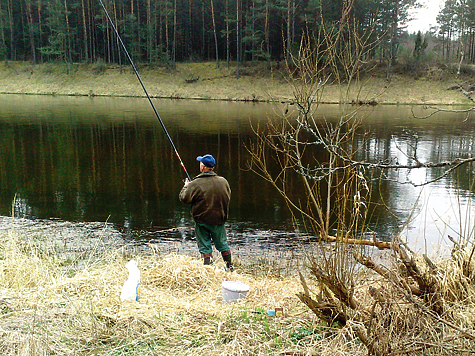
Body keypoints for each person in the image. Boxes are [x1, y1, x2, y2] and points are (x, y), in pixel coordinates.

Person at [179, 154, 233, 271]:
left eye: (200, 163)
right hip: (219, 220)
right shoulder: (223, 181)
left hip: (202, 221)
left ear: (203, 167)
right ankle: (230, 268)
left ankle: (208, 270)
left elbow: (184, 198)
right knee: (223, 244)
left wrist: (186, 187)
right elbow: (228, 196)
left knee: (205, 247)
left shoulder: (195, 183)